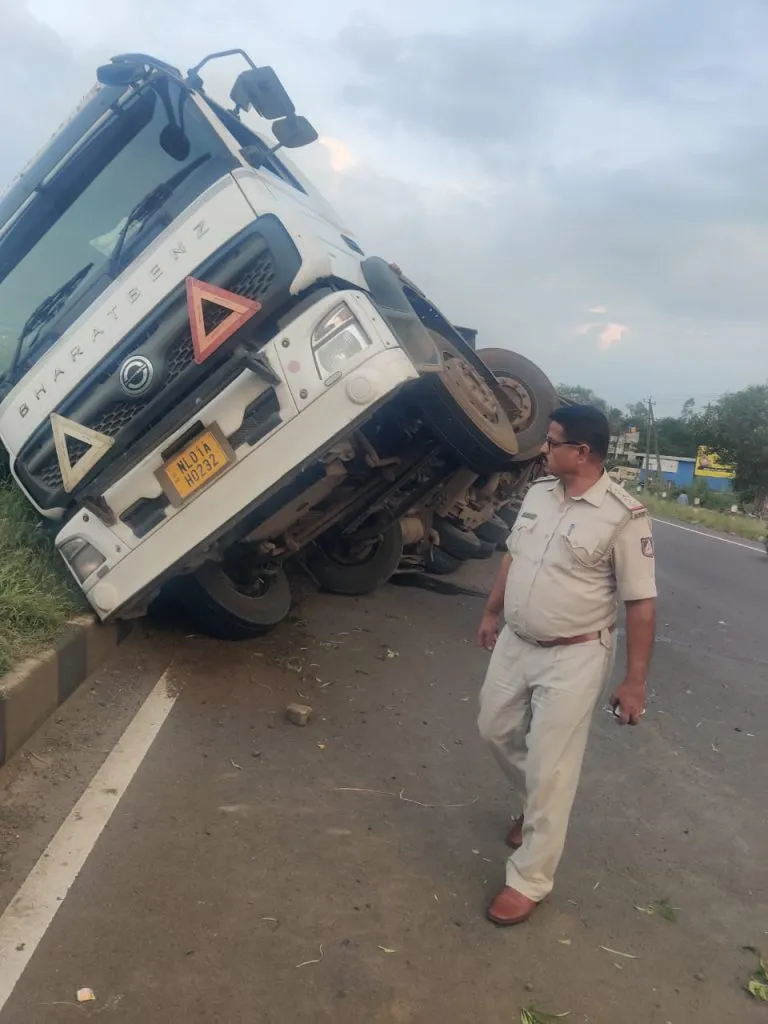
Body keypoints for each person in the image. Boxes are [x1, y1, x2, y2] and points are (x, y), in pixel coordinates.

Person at [476, 405, 657, 926]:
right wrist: (491, 611)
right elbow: (513, 556)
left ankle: (529, 878)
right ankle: (534, 808)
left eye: (552, 442)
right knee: (493, 729)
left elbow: (640, 602)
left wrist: (634, 680)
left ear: (581, 452)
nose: (543, 449)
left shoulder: (624, 516)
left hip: (575, 655)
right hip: (517, 641)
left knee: (553, 765)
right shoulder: (537, 494)